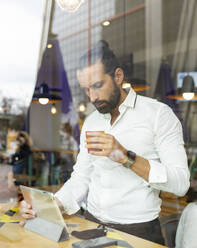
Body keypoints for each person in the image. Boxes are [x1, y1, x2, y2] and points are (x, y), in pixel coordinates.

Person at [20, 41, 190, 245]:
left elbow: (181, 184)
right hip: (90, 226)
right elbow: (81, 177)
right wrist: (49, 207)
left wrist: (125, 157)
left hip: (139, 231)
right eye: (86, 89)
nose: (92, 96)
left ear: (118, 76)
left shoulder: (159, 115)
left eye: (97, 85)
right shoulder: (91, 122)